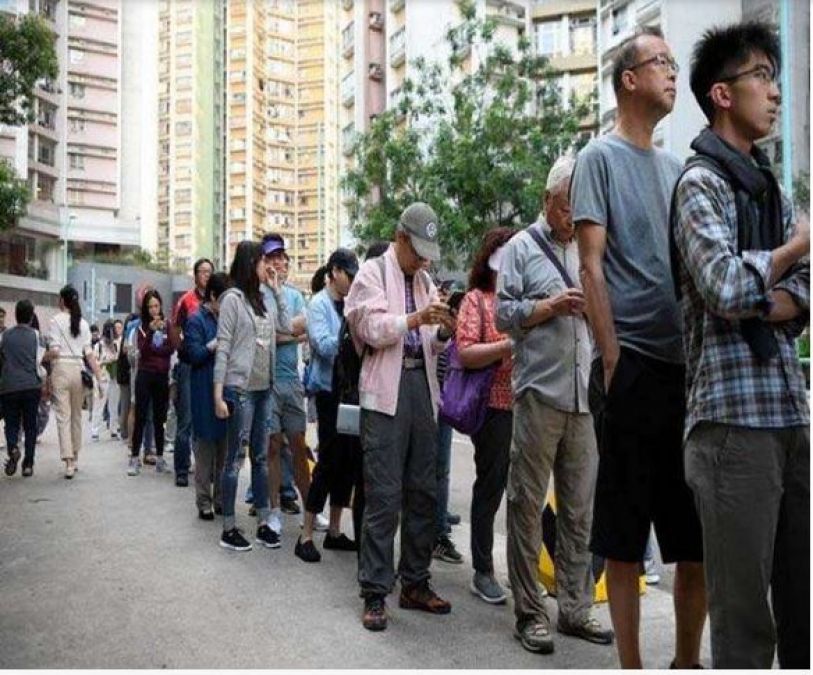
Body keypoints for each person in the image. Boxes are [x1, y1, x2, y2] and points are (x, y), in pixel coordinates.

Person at [673, 23, 809, 669]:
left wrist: (778, 284)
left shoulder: (768, 188)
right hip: (730, 426)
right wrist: (790, 253)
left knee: (802, 606)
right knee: (744, 625)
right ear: (722, 93)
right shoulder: (699, 181)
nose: (774, 91)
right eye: (761, 75)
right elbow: (725, 287)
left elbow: (803, 294)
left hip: (787, 413)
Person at [571, 27, 707, 669]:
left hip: (687, 374)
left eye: (675, 64)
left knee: (694, 537)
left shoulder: (679, 169)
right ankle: (633, 665)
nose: (673, 74)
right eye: (662, 63)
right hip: (632, 370)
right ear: (629, 79)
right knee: (624, 539)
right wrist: (613, 356)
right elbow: (591, 266)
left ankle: (685, 660)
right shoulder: (597, 157)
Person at [497, 155, 614, 653]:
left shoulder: (589, 249)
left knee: (580, 511)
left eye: (579, 207)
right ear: (548, 200)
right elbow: (504, 315)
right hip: (540, 396)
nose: (574, 216)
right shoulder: (520, 248)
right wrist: (548, 307)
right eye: (568, 206)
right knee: (526, 507)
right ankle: (529, 613)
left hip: (583, 399)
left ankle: (575, 607)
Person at [345, 202, 455, 631]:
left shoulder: (425, 279)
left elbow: (431, 345)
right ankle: (375, 590)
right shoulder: (372, 272)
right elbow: (369, 329)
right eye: (419, 249)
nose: (424, 260)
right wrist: (415, 318)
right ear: (401, 237)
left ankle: (415, 581)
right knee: (384, 497)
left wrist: (443, 329)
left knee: (424, 492)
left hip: (421, 390)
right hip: (385, 393)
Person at [454, 228, 518, 604]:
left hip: (528, 403)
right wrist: (507, 345)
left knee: (522, 493)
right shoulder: (477, 300)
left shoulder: (523, 297)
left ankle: (519, 572)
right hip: (493, 406)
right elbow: (465, 353)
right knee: (491, 486)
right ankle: (482, 569)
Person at [213, 240, 289, 552]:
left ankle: (262, 524)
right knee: (235, 459)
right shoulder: (233, 299)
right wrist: (218, 395)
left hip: (263, 389)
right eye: (262, 261)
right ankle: (229, 526)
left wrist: (277, 289)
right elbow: (223, 346)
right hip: (239, 389)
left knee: (260, 457)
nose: (268, 265)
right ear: (250, 263)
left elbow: (284, 326)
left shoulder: (264, 299)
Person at [296, 248, 361, 563]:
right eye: (349, 274)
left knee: (347, 460)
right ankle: (306, 533)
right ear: (334, 271)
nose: (352, 280)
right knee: (328, 459)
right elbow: (322, 346)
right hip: (327, 390)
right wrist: (352, 335)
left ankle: (335, 531)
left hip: (349, 389)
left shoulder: (350, 303)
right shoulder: (319, 304)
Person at [259, 235, 313, 541]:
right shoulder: (259, 296)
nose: (279, 262)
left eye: (283, 257)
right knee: (272, 447)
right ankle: (275, 510)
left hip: (291, 380)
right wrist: (290, 333)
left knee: (298, 445)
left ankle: (311, 508)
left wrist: (287, 332)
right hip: (267, 381)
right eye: (273, 257)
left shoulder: (294, 295)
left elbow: (296, 327)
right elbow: (270, 333)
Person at [46, 285, 104, 479]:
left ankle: (68, 462)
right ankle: (76, 457)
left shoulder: (55, 321)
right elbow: (89, 355)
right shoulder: (84, 324)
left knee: (63, 417)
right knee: (77, 416)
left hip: (61, 369)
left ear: (62, 301)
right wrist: (99, 378)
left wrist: (42, 357)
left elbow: (54, 351)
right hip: (79, 370)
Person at [185, 272, 230, 521]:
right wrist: (214, 344)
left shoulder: (226, 318)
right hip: (204, 389)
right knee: (204, 450)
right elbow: (194, 354)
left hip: (225, 388)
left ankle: (222, 498)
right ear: (213, 296)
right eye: (224, 300)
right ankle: (203, 501)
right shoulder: (196, 321)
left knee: (224, 448)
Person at [172, 258, 213, 488]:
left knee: (206, 417)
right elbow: (175, 329)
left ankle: (207, 470)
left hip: (210, 364)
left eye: (210, 271)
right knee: (185, 418)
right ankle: (181, 468)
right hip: (190, 364)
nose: (206, 275)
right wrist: (184, 351)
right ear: (195, 275)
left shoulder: (217, 299)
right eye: (202, 271)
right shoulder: (186, 301)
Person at [127, 289, 175, 476]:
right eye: (150, 307)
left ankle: (160, 457)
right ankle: (134, 458)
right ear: (146, 309)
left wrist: (159, 350)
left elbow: (170, 348)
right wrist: (150, 333)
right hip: (145, 375)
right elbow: (143, 352)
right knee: (141, 416)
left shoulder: (168, 324)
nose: (154, 310)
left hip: (161, 375)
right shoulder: (140, 327)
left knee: (159, 417)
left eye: (156, 305)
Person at [1, 300, 46, 477]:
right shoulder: (36, 335)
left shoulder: (4, 336)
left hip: (9, 386)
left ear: (16, 315)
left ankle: (12, 448)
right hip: (30, 386)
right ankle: (28, 463)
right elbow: (40, 360)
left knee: (11, 423)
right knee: (30, 425)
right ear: (30, 316)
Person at [91, 320, 120, 441]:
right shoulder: (99, 346)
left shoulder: (116, 344)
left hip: (114, 377)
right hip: (102, 376)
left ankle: (113, 430)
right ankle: (95, 431)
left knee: (114, 405)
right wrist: (105, 361)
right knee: (99, 404)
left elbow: (118, 357)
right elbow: (94, 362)